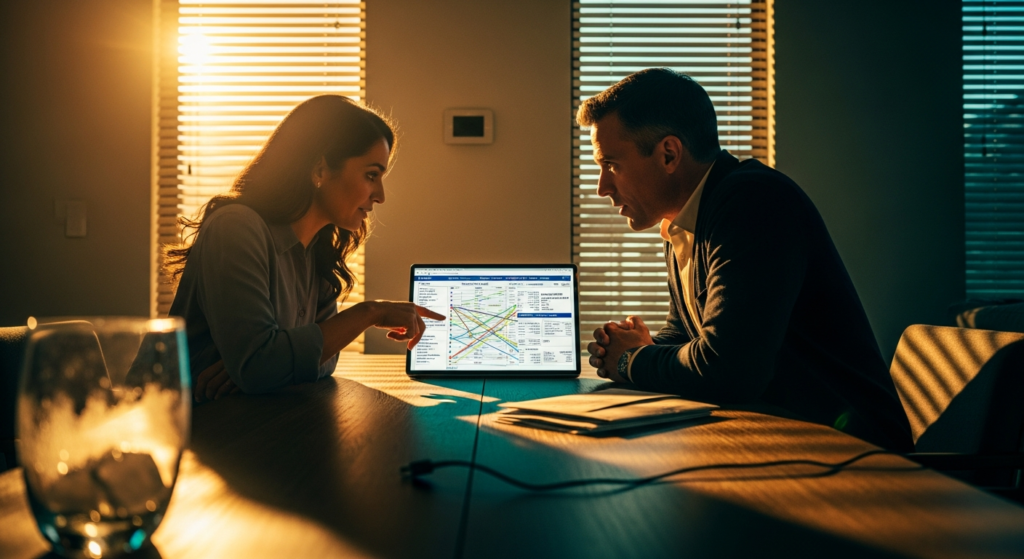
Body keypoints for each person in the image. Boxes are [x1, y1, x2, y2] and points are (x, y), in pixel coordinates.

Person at [583, 69, 913, 451]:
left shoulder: (753, 202)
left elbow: (729, 371)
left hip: (852, 453)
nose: (602, 187)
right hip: (777, 437)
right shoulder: (684, 219)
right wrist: (640, 344)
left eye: (611, 165)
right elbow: (689, 333)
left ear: (669, 154)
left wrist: (632, 361)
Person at [166, 95, 444, 403]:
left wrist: (266, 365)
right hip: (177, 424)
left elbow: (322, 360)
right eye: (370, 175)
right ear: (320, 169)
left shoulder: (317, 249)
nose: (380, 196)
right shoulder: (236, 228)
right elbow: (263, 368)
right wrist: (370, 312)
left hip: (245, 418)